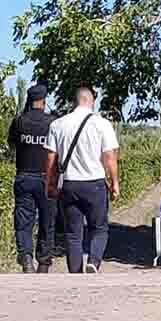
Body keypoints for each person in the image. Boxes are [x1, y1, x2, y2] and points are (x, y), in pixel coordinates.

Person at [45, 87, 121, 274]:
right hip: (94, 184)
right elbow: (110, 157)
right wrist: (115, 184)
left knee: (72, 235)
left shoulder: (58, 124)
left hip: (69, 184)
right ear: (92, 101)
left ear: (75, 101)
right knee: (100, 228)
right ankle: (93, 262)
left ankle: (75, 274)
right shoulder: (102, 124)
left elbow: (50, 158)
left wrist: (49, 183)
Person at [6, 84, 56, 273]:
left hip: (24, 176)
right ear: (44, 101)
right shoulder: (52, 122)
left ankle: (26, 258)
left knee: (23, 221)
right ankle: (43, 262)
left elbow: (12, 145)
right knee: (47, 222)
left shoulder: (19, 121)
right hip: (46, 178)